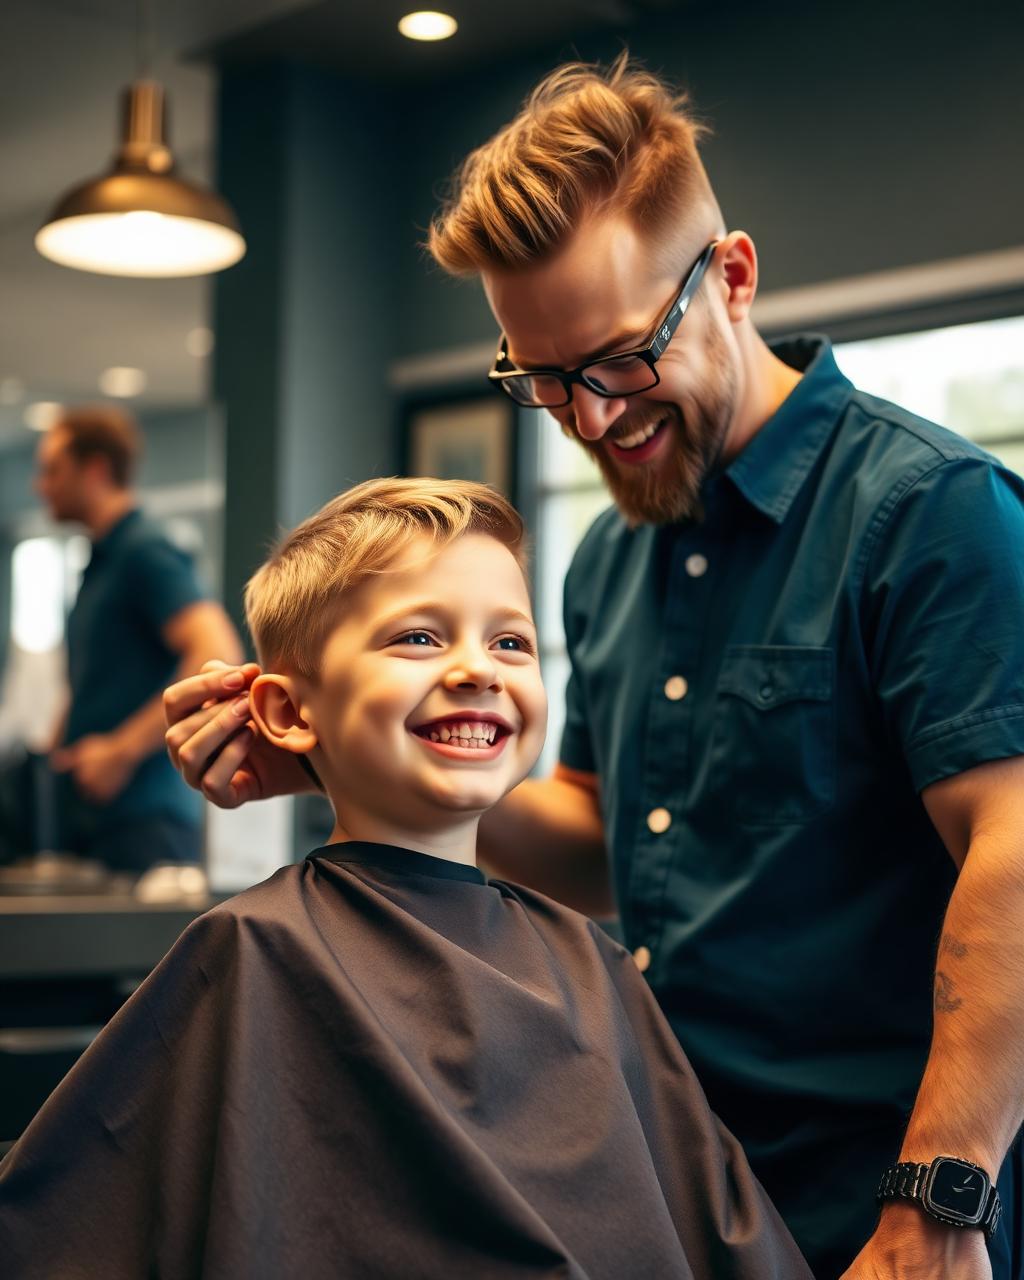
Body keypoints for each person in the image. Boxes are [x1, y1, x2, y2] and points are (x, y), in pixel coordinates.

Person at [162, 58, 1024, 1280]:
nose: (590, 419)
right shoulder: (615, 554)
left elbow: (1017, 850)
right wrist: (362, 759)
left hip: (885, 1193)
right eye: (542, 378)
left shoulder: (928, 512)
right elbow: (611, 840)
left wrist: (937, 1203)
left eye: (618, 360)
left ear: (730, 277)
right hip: (687, 1185)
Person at [0, 478, 812, 1280]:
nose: (477, 670)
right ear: (285, 713)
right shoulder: (256, 951)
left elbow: (725, 1234)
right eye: (419, 638)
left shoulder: (590, 963)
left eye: (511, 642)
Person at [34, 404, 242, 871]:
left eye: (52, 470)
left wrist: (120, 752)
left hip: (146, 820)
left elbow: (216, 649)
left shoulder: (145, 550)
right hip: (95, 814)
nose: (39, 485)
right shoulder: (101, 561)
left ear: (96, 470)